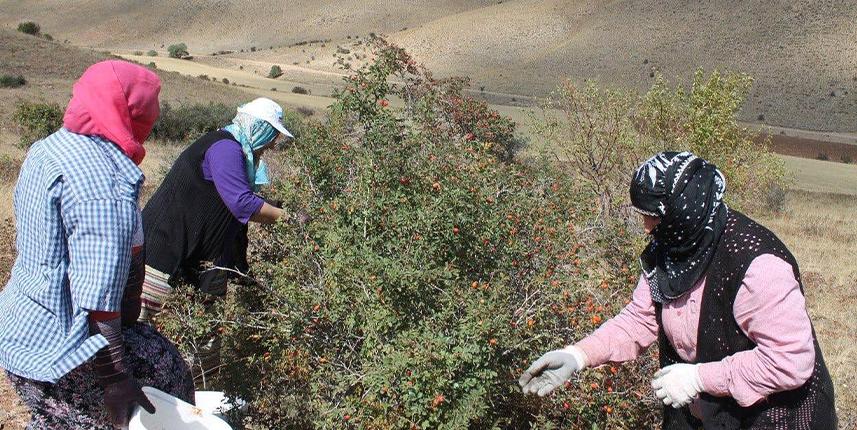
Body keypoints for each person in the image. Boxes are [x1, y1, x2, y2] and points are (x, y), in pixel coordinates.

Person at [519, 152, 836, 429]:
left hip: (778, 415)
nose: (646, 227)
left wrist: (699, 378)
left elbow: (789, 361)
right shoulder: (672, 250)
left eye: (653, 217)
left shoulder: (756, 265)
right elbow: (640, 319)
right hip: (711, 412)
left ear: (683, 211)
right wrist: (577, 355)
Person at [0, 60, 193, 429]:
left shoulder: (49, 148)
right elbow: (99, 302)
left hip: (20, 329)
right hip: (61, 348)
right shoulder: (106, 186)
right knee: (168, 377)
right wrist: (116, 378)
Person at [139, 97, 303, 321]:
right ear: (259, 128)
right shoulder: (225, 148)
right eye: (272, 134)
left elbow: (235, 197)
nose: (273, 144)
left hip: (200, 265)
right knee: (153, 330)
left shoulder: (232, 149)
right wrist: (290, 218)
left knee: (201, 334)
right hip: (167, 255)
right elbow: (242, 203)